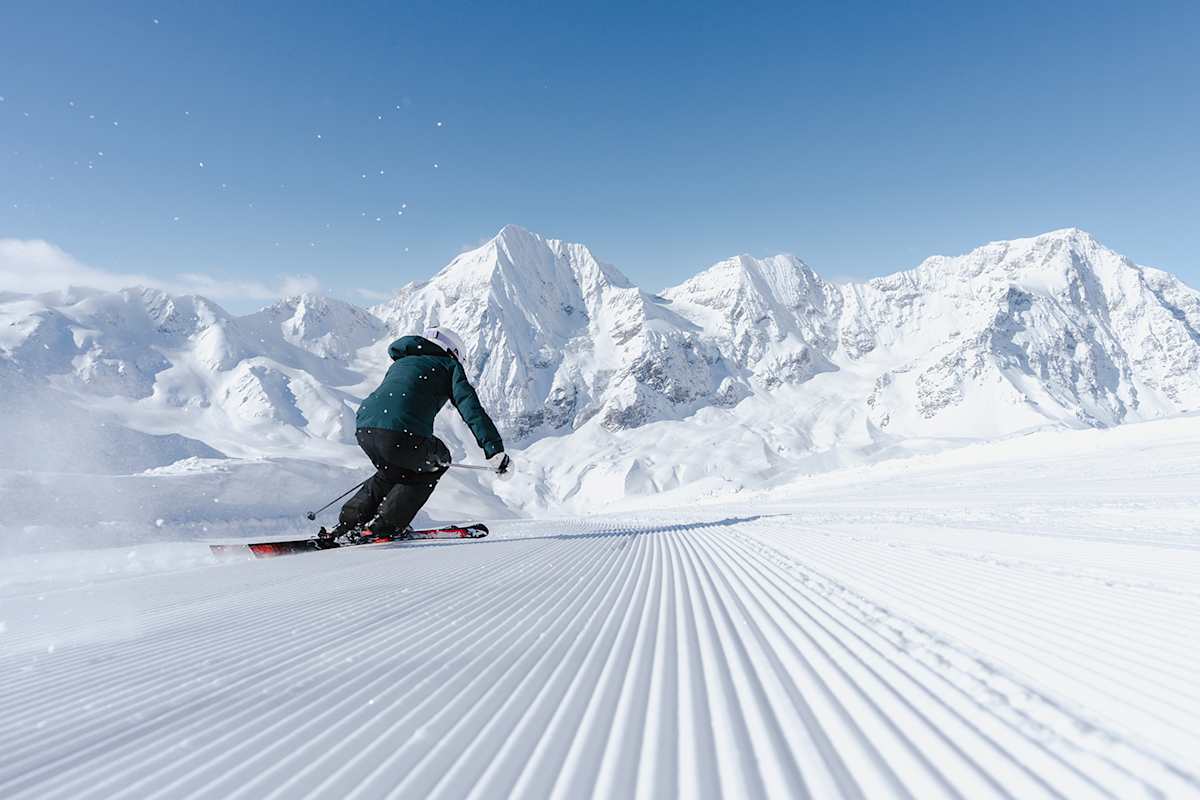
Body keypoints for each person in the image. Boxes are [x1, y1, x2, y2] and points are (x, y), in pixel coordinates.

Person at [321, 326, 511, 542]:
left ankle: (348, 523)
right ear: (453, 352)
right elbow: (470, 408)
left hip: (365, 429)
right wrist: (494, 451)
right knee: (438, 460)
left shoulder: (401, 363)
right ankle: (385, 525)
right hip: (399, 434)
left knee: (390, 472)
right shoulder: (448, 365)